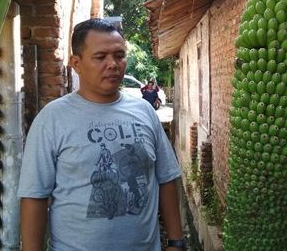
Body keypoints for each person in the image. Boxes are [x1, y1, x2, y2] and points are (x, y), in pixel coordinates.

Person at [18, 19, 185, 251]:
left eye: (119, 55)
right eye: (100, 57)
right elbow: (34, 196)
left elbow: (166, 178)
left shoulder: (144, 112)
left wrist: (176, 241)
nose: (113, 64)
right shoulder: (52, 119)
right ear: (76, 63)